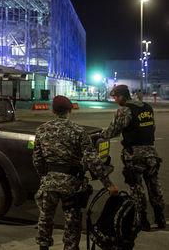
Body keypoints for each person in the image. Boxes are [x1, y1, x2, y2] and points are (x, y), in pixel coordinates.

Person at [33, 95, 118, 250]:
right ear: (70, 110)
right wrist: (108, 184)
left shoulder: (41, 130)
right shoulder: (79, 132)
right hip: (71, 184)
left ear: (52, 110)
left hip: (49, 182)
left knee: (45, 217)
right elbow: (93, 160)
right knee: (72, 221)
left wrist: (45, 177)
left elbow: (37, 160)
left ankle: (43, 246)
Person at [100, 84, 166, 231]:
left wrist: (100, 135)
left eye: (116, 97)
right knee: (154, 186)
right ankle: (160, 218)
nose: (115, 100)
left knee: (136, 188)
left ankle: (142, 220)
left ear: (122, 96)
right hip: (151, 153)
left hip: (134, 155)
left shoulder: (125, 110)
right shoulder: (147, 107)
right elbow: (152, 128)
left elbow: (113, 131)